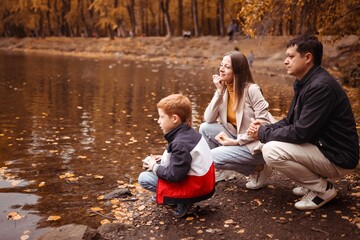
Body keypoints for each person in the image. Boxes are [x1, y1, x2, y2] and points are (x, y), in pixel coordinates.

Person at [247, 35, 359, 210]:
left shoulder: (320, 87)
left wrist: (263, 134)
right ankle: (312, 183)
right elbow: (290, 120)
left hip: (338, 156)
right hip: (324, 147)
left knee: (271, 150)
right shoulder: (305, 83)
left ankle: (323, 190)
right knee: (267, 143)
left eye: (291, 57)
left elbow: (301, 132)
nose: (285, 61)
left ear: (308, 58)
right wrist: (265, 128)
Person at [199, 51, 275, 189]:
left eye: (227, 67)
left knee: (212, 157)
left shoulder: (252, 90)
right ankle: (224, 172)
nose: (221, 69)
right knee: (205, 128)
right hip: (237, 136)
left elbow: (265, 124)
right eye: (221, 65)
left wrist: (236, 141)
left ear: (238, 70)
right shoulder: (225, 90)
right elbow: (208, 118)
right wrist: (219, 92)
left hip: (256, 145)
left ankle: (258, 168)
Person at [138, 94, 215, 218]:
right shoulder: (189, 132)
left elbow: (174, 176)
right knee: (148, 160)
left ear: (174, 119)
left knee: (144, 178)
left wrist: (154, 167)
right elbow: (184, 160)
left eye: (161, 117)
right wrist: (162, 159)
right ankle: (174, 197)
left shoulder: (180, 143)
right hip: (203, 182)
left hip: (196, 188)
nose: (158, 121)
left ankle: (181, 201)